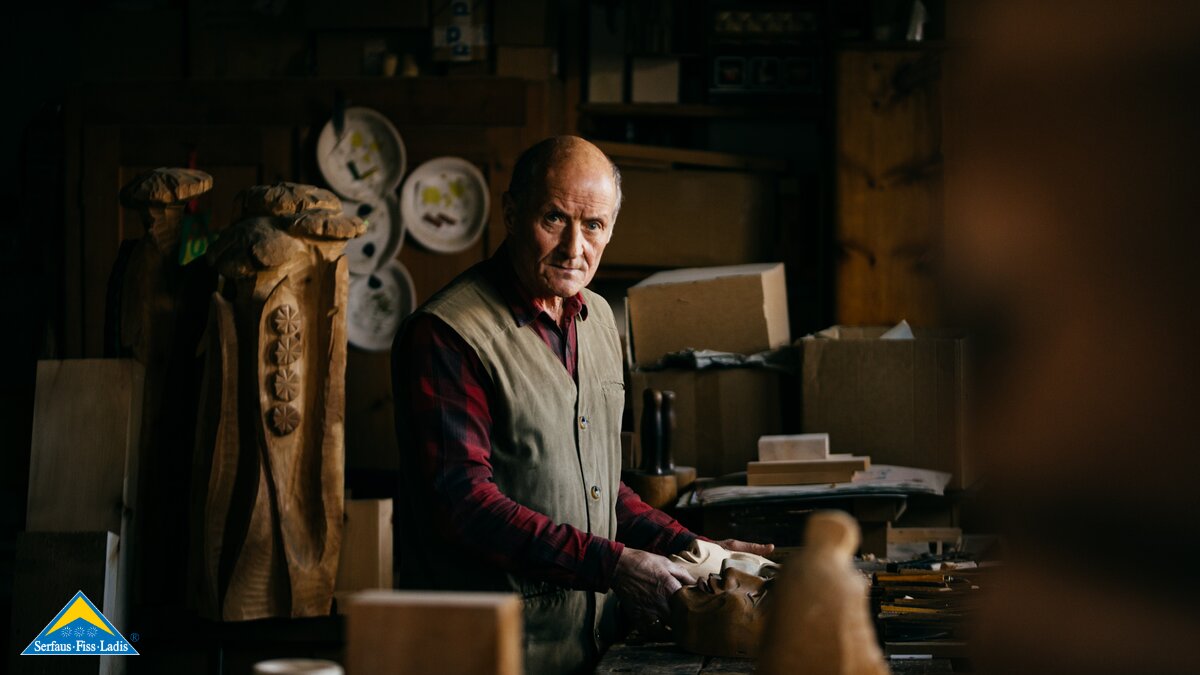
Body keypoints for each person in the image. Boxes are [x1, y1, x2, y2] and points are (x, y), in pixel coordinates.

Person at [391, 136, 771, 674]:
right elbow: (464, 506)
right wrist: (615, 565)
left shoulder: (595, 320)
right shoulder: (449, 335)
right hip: (486, 652)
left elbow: (592, 479)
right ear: (511, 213)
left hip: (589, 649)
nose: (575, 247)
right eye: (554, 219)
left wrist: (692, 546)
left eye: (593, 225)